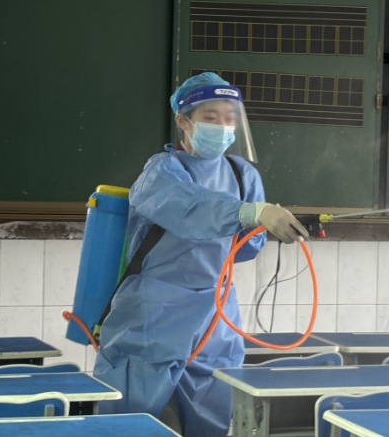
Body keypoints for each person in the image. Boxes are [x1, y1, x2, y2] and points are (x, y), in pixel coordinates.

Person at [93, 72, 309, 437]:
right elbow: (190, 208)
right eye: (210, 117)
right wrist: (250, 212)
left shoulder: (242, 174)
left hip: (216, 314)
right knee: (137, 420)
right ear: (183, 121)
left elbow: (244, 248)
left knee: (211, 415)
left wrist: (269, 226)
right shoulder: (162, 171)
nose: (222, 126)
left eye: (229, 117)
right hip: (155, 312)